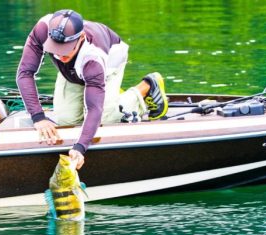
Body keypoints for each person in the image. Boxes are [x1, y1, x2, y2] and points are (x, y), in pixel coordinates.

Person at [17, 9, 168, 169]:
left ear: (80, 38)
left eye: (65, 50)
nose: (60, 56)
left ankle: (147, 86)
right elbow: (24, 73)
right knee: (65, 121)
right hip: (73, 71)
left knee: (105, 118)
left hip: (109, 63)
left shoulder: (94, 57)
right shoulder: (43, 28)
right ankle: (107, 95)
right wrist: (38, 117)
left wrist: (80, 147)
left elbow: (94, 109)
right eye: (56, 49)